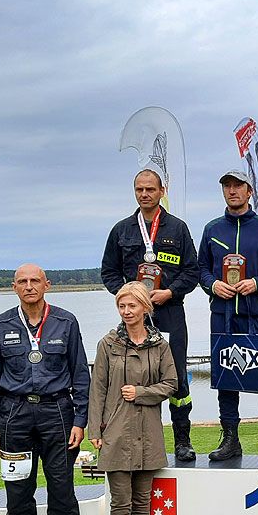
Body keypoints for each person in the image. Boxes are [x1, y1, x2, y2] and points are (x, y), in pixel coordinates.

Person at [0, 264, 91, 515]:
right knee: (18, 491)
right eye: (22, 282)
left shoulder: (66, 322)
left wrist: (80, 419)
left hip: (57, 414)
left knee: (61, 488)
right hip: (14, 417)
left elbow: (80, 374)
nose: (29, 286)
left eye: (35, 281)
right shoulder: (0, 325)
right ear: (13, 287)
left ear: (47, 284)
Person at [100, 168, 199, 461]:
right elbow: (108, 272)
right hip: (134, 320)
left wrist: (170, 292)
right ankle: (131, 440)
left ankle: (183, 439)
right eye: (140, 190)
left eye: (150, 190)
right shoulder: (121, 230)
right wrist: (130, 297)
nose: (145, 194)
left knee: (177, 377)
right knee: (132, 380)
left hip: (169, 314)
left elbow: (191, 271)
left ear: (161, 191)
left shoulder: (177, 228)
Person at [86, 282, 178, 515]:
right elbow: (97, 388)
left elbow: (170, 384)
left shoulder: (160, 345)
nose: (126, 312)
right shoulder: (108, 343)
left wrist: (141, 392)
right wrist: (94, 428)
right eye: (122, 307)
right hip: (116, 429)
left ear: (144, 308)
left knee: (142, 500)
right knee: (120, 501)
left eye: (132, 306)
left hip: (148, 430)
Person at [197, 169, 258, 461]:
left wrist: (257, 282)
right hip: (223, 315)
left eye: (238, 185)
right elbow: (200, 269)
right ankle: (231, 440)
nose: (232, 190)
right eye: (227, 186)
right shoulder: (212, 229)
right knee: (226, 378)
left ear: (250, 191)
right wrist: (213, 285)